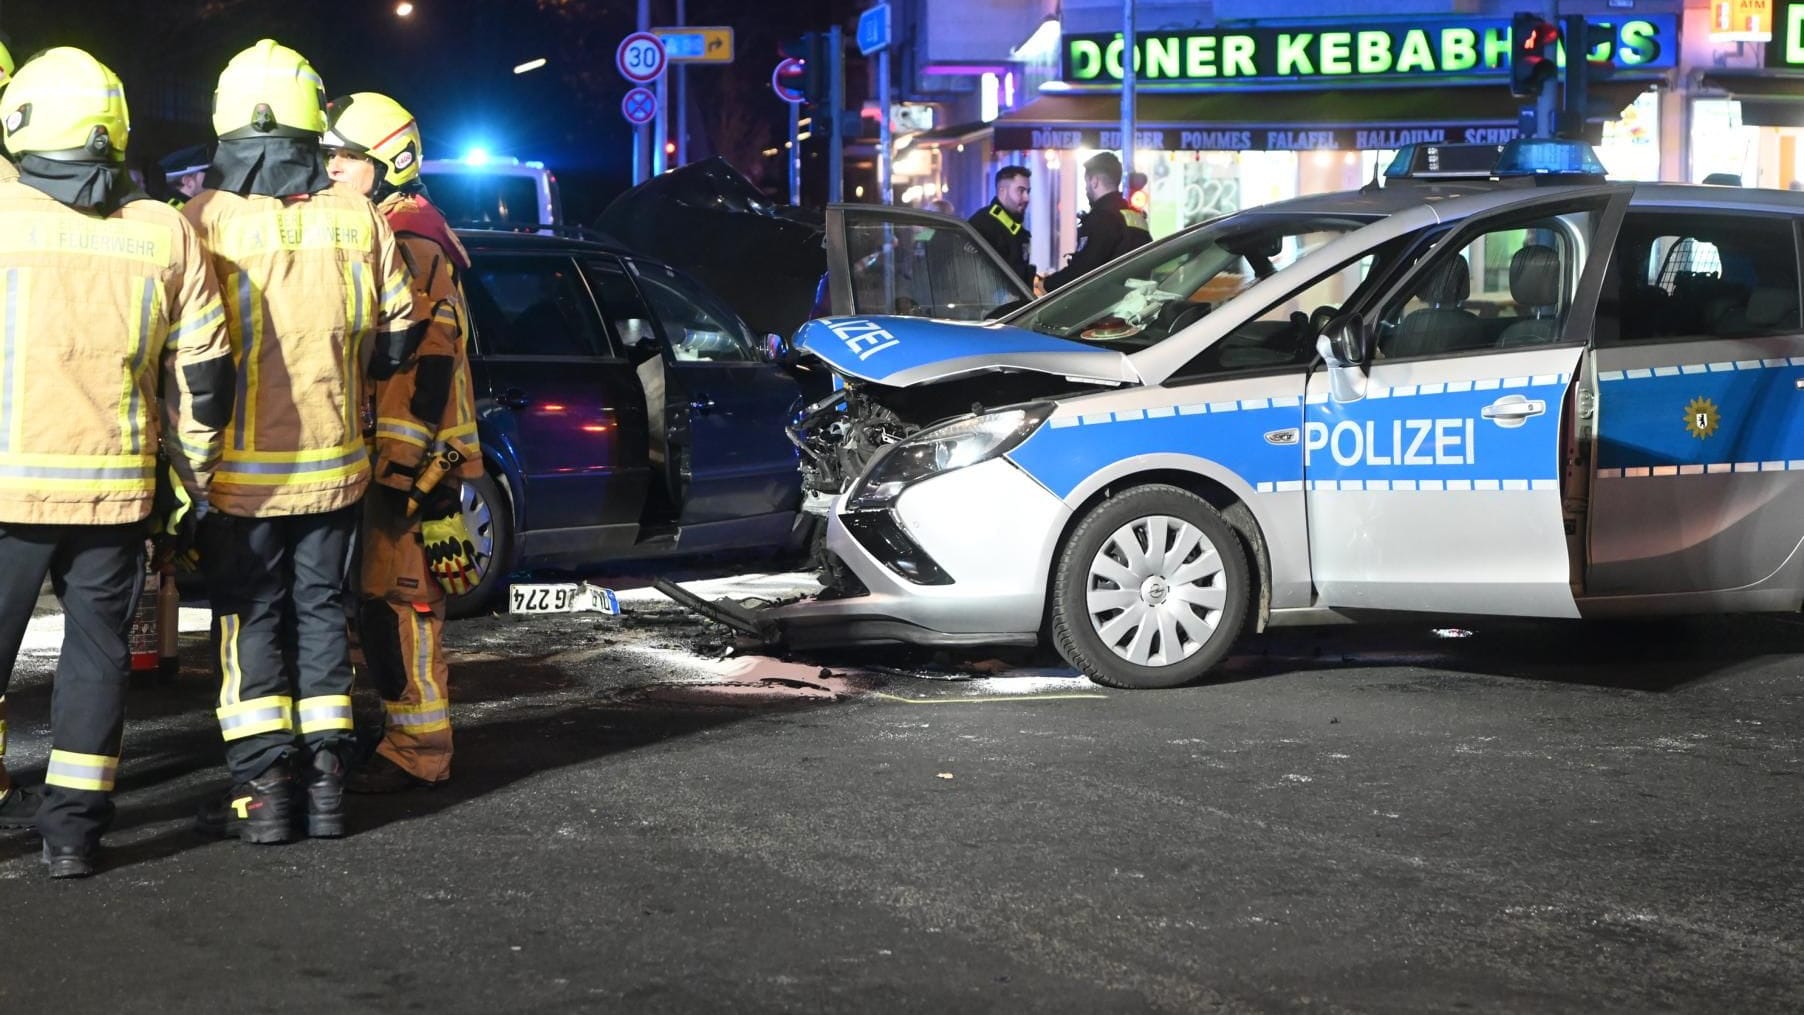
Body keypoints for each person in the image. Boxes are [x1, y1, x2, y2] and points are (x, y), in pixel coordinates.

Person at [0, 48, 234, 877]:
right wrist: (197, 483)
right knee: (97, 656)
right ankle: (72, 837)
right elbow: (206, 380)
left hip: (4, 494)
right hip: (114, 491)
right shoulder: (163, 231)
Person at [185, 40, 414, 844]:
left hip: (239, 477)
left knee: (251, 620)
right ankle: (324, 784)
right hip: (336, 469)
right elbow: (396, 342)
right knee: (321, 610)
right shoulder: (357, 218)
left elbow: (185, 360)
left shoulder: (201, 222)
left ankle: (263, 788)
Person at [320, 92, 482, 792]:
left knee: (404, 610)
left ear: (388, 163)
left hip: (410, 468)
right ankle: (396, 736)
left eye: (345, 158)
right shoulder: (399, 229)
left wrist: (404, 470)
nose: (331, 169)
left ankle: (419, 753)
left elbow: (419, 372)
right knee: (377, 609)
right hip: (402, 464)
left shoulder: (411, 241)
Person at [1043, 151, 1151, 293]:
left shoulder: (1103, 218)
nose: (1086, 188)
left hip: (1108, 305)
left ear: (1094, 182)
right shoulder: (1135, 216)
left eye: (1087, 182)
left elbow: (1083, 270)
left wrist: (1046, 284)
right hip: (1135, 303)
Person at [968, 165, 1034, 286]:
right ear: (1002, 191)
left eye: (1028, 191)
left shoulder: (1013, 228)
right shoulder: (983, 225)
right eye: (1021, 190)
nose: (1027, 198)